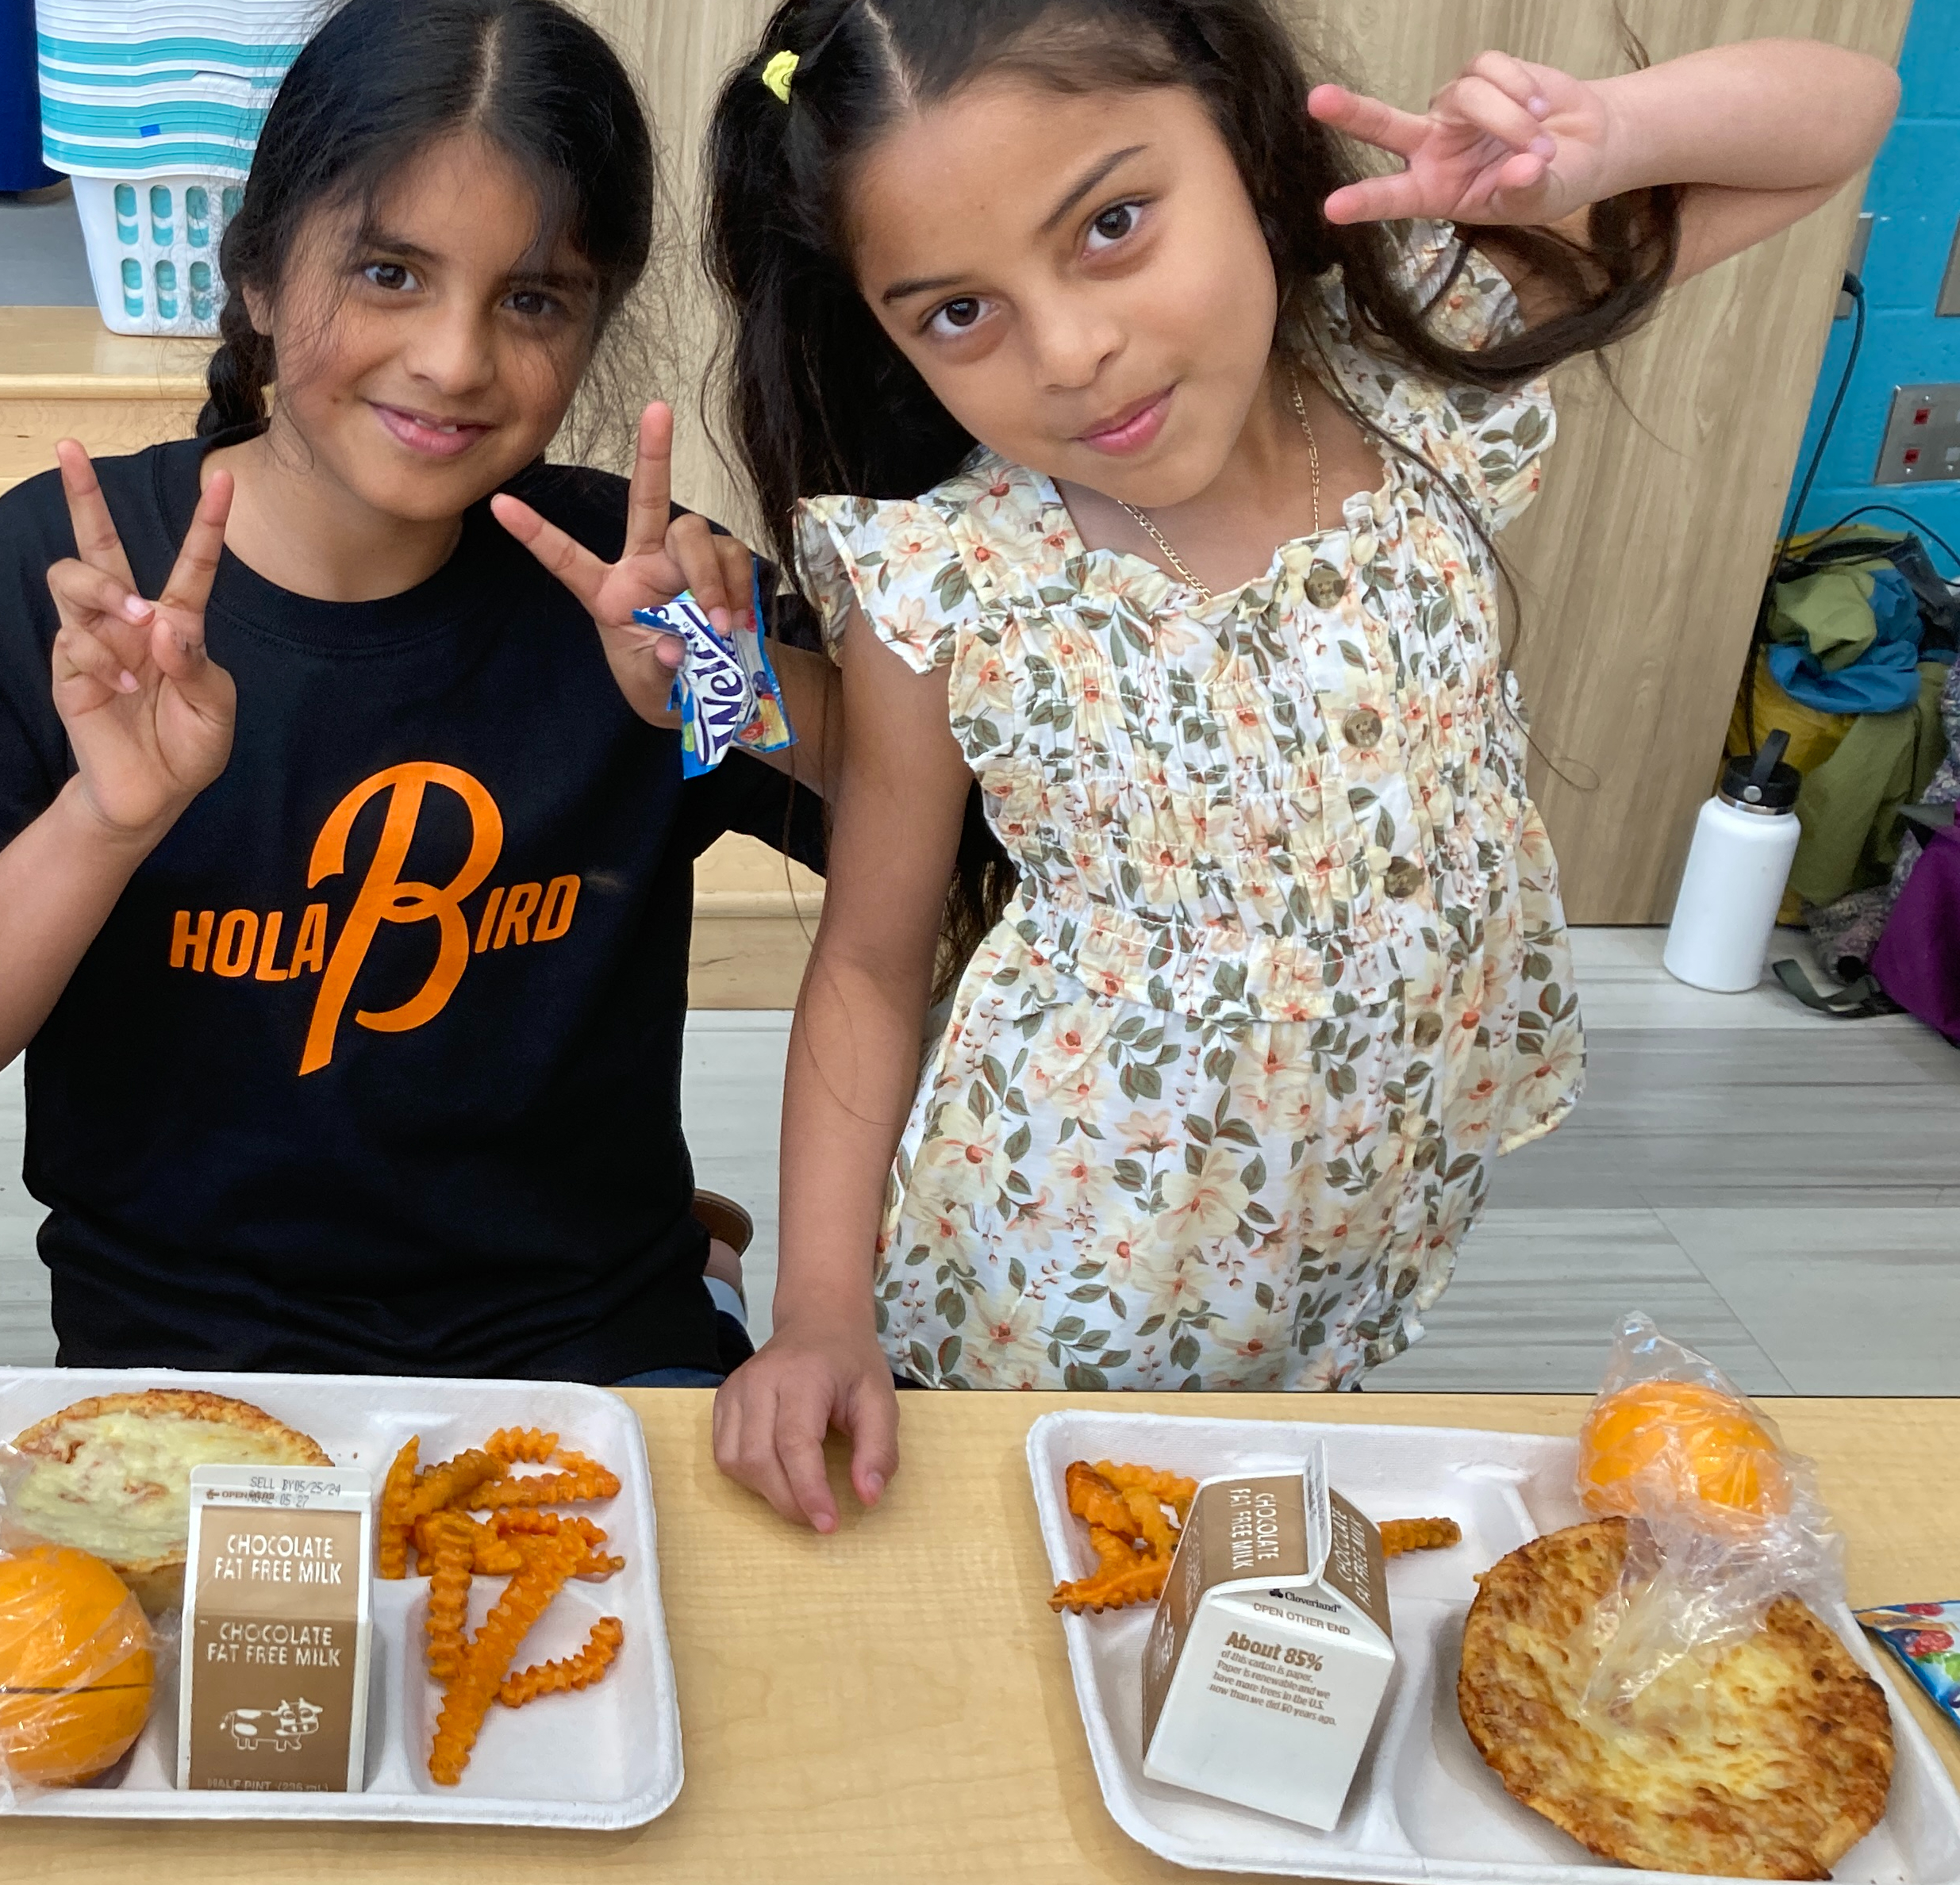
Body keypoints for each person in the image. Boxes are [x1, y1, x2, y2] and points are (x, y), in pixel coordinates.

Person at [701, 0, 1897, 1523]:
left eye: (1114, 223)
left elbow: (1841, 117)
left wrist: (1606, 144)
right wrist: (819, 1314)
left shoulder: (1417, 362)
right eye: (956, 313)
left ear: (1241, 138)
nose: (1072, 352)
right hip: (1073, 1258)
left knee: (1271, 1534)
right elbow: (869, 965)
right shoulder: (949, 580)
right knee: (1056, 1561)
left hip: (1362, 1191)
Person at [0, 0, 834, 1385]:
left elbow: (951, 832)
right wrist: (104, 822)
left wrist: (725, 682)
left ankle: (702, 1275)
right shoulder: (62, 578)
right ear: (256, 273)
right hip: (184, 1369)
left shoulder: (627, 577)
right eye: (387, 273)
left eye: (532, 298)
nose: (455, 359)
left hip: (589, 1349)